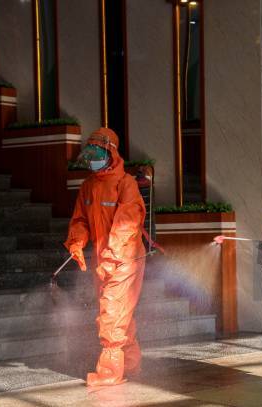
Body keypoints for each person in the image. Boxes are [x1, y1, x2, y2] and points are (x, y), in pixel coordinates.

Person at [65, 127, 146, 387]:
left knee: (112, 311)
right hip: (104, 258)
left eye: (97, 154)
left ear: (111, 152)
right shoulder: (88, 186)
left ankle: (109, 373)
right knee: (120, 312)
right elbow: (80, 220)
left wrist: (112, 258)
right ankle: (130, 364)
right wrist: (77, 243)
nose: (92, 160)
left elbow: (127, 224)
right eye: (90, 155)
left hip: (125, 258)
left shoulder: (126, 184)